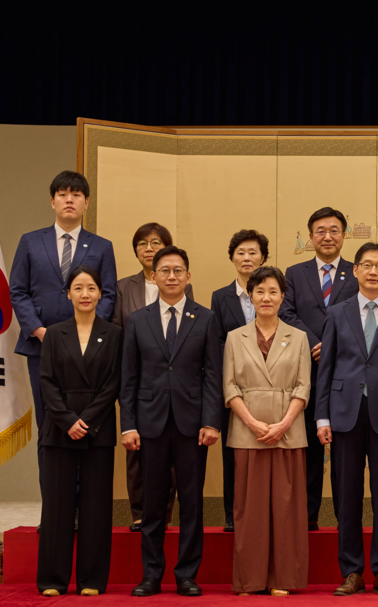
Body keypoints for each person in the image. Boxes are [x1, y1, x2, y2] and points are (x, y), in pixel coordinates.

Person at [120, 246, 222, 597]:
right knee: (153, 504)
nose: (172, 276)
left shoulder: (206, 319)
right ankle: (151, 574)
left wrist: (212, 421)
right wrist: (128, 425)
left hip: (193, 425)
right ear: (153, 276)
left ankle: (187, 575)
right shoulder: (137, 319)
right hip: (149, 424)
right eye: (164, 271)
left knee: (192, 502)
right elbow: (128, 377)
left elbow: (212, 374)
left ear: (188, 277)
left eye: (179, 271)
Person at [315, 243, 378, 597]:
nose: (373, 272)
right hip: (344, 414)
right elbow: (325, 369)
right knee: (347, 496)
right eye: (367, 265)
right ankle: (352, 571)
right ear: (355, 271)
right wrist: (321, 416)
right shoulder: (338, 313)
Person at [9, 170, 117, 492]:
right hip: (42, 347)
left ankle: (85, 507)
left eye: (76, 195)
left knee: (87, 425)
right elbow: (18, 291)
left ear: (86, 203)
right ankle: (55, 508)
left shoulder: (101, 246)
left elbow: (108, 293)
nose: (69, 199)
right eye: (62, 194)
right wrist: (40, 331)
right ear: (52, 201)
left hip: (90, 353)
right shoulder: (30, 241)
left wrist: (92, 335)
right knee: (50, 427)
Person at [223, 266, 310, 596]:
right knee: (250, 510)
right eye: (259, 291)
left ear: (283, 296)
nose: (266, 297)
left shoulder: (298, 337)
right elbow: (229, 387)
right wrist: (253, 423)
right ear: (250, 296)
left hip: (288, 432)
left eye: (273, 291)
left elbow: (303, 387)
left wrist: (284, 423)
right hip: (248, 432)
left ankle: (283, 580)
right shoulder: (235, 337)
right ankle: (249, 579)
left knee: (286, 508)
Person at [37, 266, 122, 597]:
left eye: (91, 288)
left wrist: (85, 420)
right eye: (78, 288)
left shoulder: (114, 334)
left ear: (101, 294)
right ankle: (53, 580)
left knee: (95, 506)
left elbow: (113, 383)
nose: (85, 294)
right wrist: (67, 420)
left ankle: (91, 579)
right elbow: (46, 382)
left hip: (97, 429)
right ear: (68, 294)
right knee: (56, 506)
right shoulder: (54, 333)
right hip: (59, 429)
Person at [278, 207, 360, 530]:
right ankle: (307, 519)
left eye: (334, 230)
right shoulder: (295, 273)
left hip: (346, 376)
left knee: (344, 455)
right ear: (310, 236)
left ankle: (345, 521)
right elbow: (287, 313)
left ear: (344, 234)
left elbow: (361, 315)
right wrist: (318, 343)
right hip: (306, 374)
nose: (328, 236)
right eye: (321, 231)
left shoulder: (356, 272)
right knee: (309, 451)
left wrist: (333, 346)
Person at [112, 222, 191, 532]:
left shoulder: (180, 284)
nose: (149, 248)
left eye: (156, 242)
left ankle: (165, 512)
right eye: (142, 243)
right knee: (137, 450)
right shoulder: (122, 287)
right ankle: (140, 511)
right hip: (137, 377)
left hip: (172, 381)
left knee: (171, 453)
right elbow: (118, 331)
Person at [210, 229, 269, 533]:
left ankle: (265, 513)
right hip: (235, 386)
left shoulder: (275, 293)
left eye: (253, 253)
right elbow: (217, 342)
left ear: (263, 258)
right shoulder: (220, 297)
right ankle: (233, 515)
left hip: (272, 386)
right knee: (234, 454)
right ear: (232, 258)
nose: (247, 258)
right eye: (241, 253)